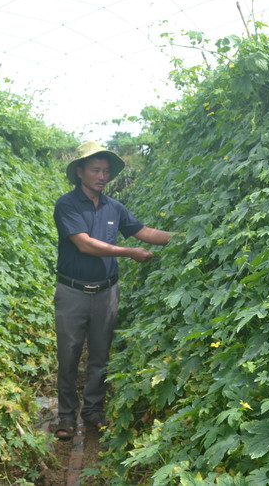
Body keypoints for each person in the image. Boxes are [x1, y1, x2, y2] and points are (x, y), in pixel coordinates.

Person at [52, 141, 171, 440]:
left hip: (107, 292)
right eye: (95, 170)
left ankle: (93, 410)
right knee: (68, 355)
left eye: (106, 171)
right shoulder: (66, 204)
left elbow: (144, 232)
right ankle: (66, 417)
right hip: (73, 292)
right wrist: (129, 252)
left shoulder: (114, 208)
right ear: (80, 172)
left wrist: (184, 237)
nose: (102, 176)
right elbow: (84, 243)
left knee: (100, 355)